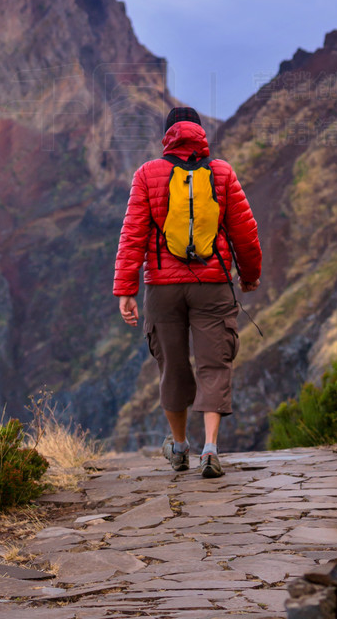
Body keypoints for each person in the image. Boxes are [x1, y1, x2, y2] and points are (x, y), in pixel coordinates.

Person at [114, 106, 262, 478]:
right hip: (212, 285)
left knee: (174, 366)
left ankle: (180, 447)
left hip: (162, 288)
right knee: (214, 363)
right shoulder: (222, 173)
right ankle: (210, 448)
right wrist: (249, 276)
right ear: (200, 134)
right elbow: (245, 232)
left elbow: (132, 235)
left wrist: (125, 290)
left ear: (167, 136)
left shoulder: (148, 174)